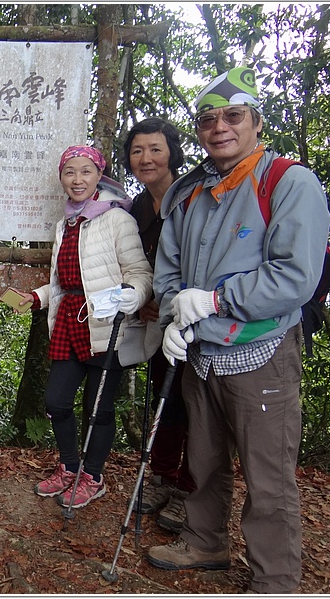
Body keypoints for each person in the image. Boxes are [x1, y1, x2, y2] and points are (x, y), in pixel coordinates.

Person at [147, 67, 330, 594]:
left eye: (233, 116)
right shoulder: (188, 190)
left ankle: (276, 579)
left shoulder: (288, 182)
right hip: (200, 350)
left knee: (268, 476)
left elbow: (296, 274)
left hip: (262, 347)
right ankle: (206, 541)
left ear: (255, 121)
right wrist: (172, 316)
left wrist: (216, 299)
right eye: (208, 119)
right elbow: (169, 266)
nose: (219, 127)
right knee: (202, 457)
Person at [11, 146, 153, 509]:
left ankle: (93, 476)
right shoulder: (65, 223)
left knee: (98, 408)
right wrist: (37, 297)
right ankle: (70, 467)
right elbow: (64, 280)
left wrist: (134, 297)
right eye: (70, 172)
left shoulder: (117, 219)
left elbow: (140, 273)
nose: (77, 180)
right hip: (70, 321)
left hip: (107, 323)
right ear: (61, 178)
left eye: (86, 172)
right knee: (56, 401)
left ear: (99, 176)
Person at [124, 117, 195, 534]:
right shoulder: (137, 206)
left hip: (196, 319)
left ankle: (189, 490)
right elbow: (134, 263)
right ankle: (162, 478)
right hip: (155, 323)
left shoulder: (194, 198)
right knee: (164, 401)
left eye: (155, 149)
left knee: (195, 406)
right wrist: (142, 302)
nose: (146, 158)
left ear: (171, 151)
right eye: (137, 150)